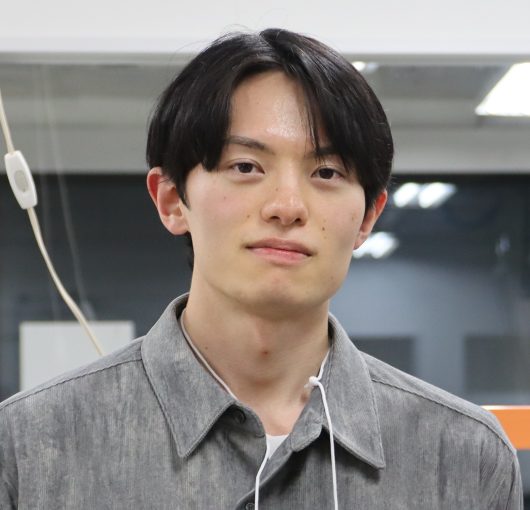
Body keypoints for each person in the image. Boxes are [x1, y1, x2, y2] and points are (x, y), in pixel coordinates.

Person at [0, 28, 522, 509]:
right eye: (245, 166)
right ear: (172, 200)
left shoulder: (463, 457)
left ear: (368, 217)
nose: (287, 206)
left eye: (326, 172)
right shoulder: (31, 445)